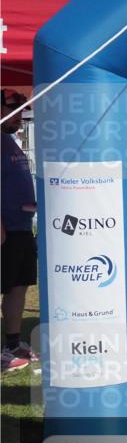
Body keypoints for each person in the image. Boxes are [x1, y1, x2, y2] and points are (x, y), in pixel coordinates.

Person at [1, 90, 39, 372]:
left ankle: (11, 344)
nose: (20, 115)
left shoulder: (10, 141)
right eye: (14, 109)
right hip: (5, 229)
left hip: (22, 227)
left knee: (19, 285)